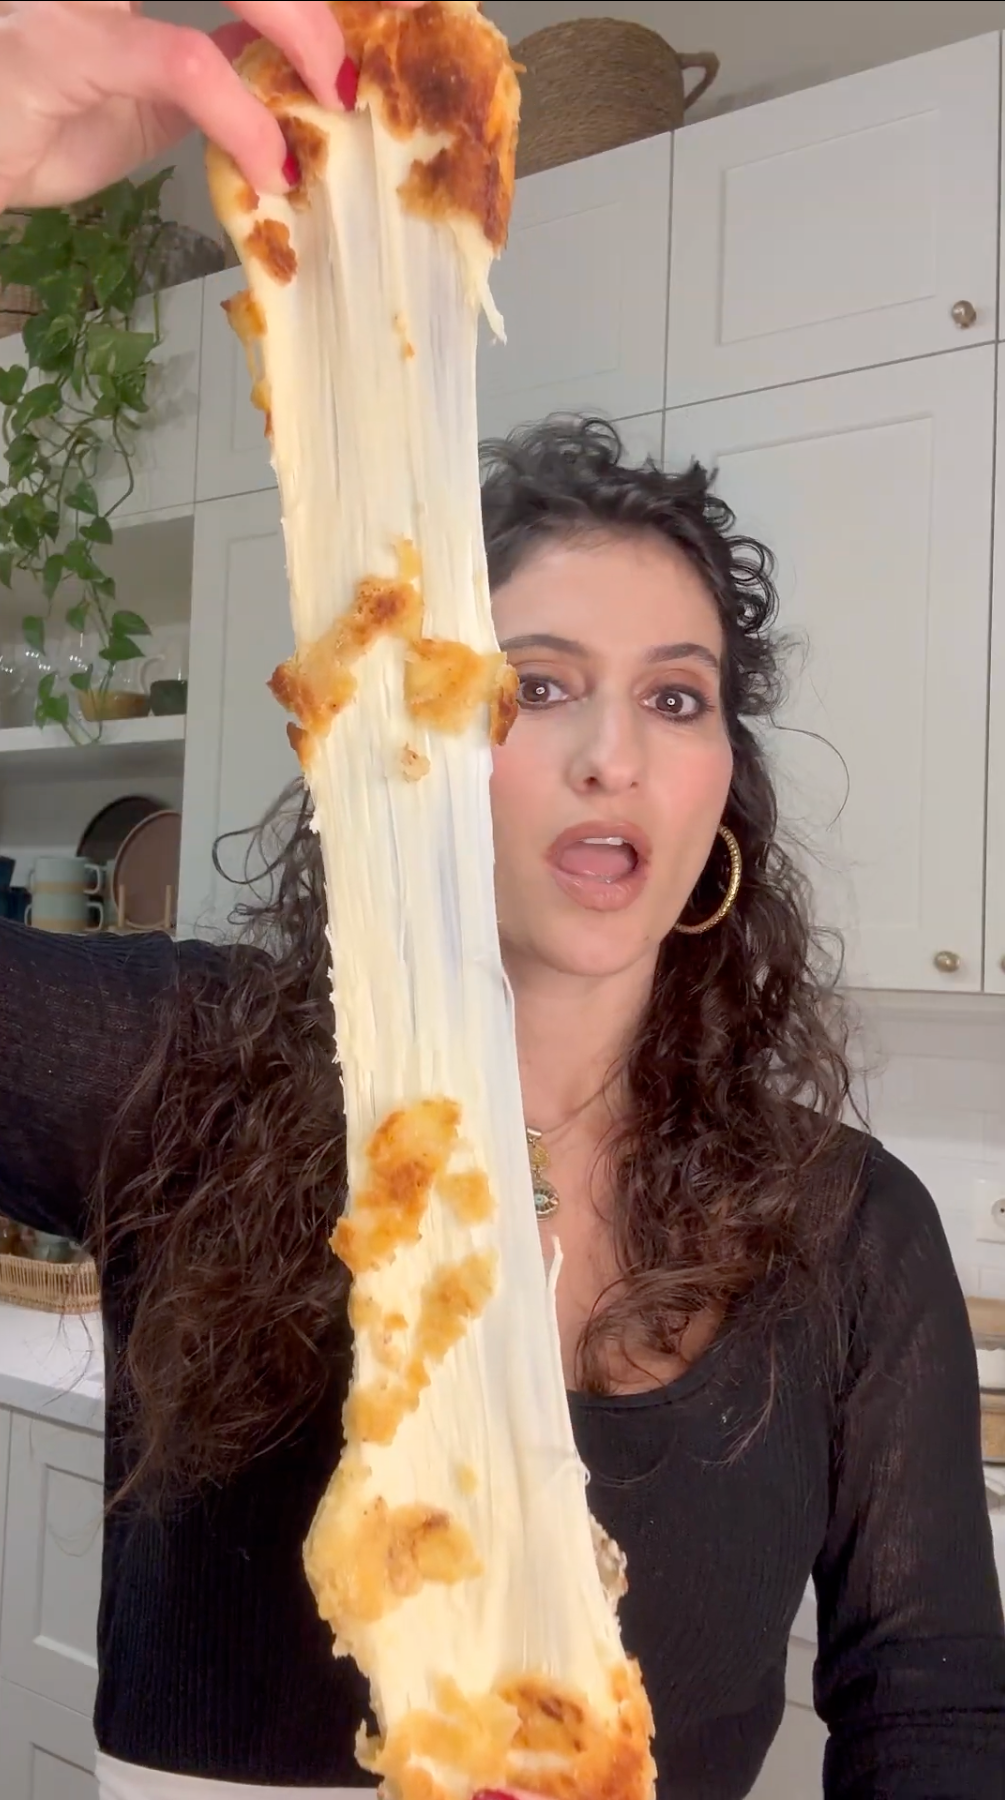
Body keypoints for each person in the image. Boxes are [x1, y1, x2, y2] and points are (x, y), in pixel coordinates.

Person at [0, 6, 1003, 1801]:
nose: (615, 748)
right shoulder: (179, 1073)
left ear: (723, 791)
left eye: (678, 695)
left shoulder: (852, 1234)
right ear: (413, 736)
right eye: (534, 683)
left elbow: (931, 1702)